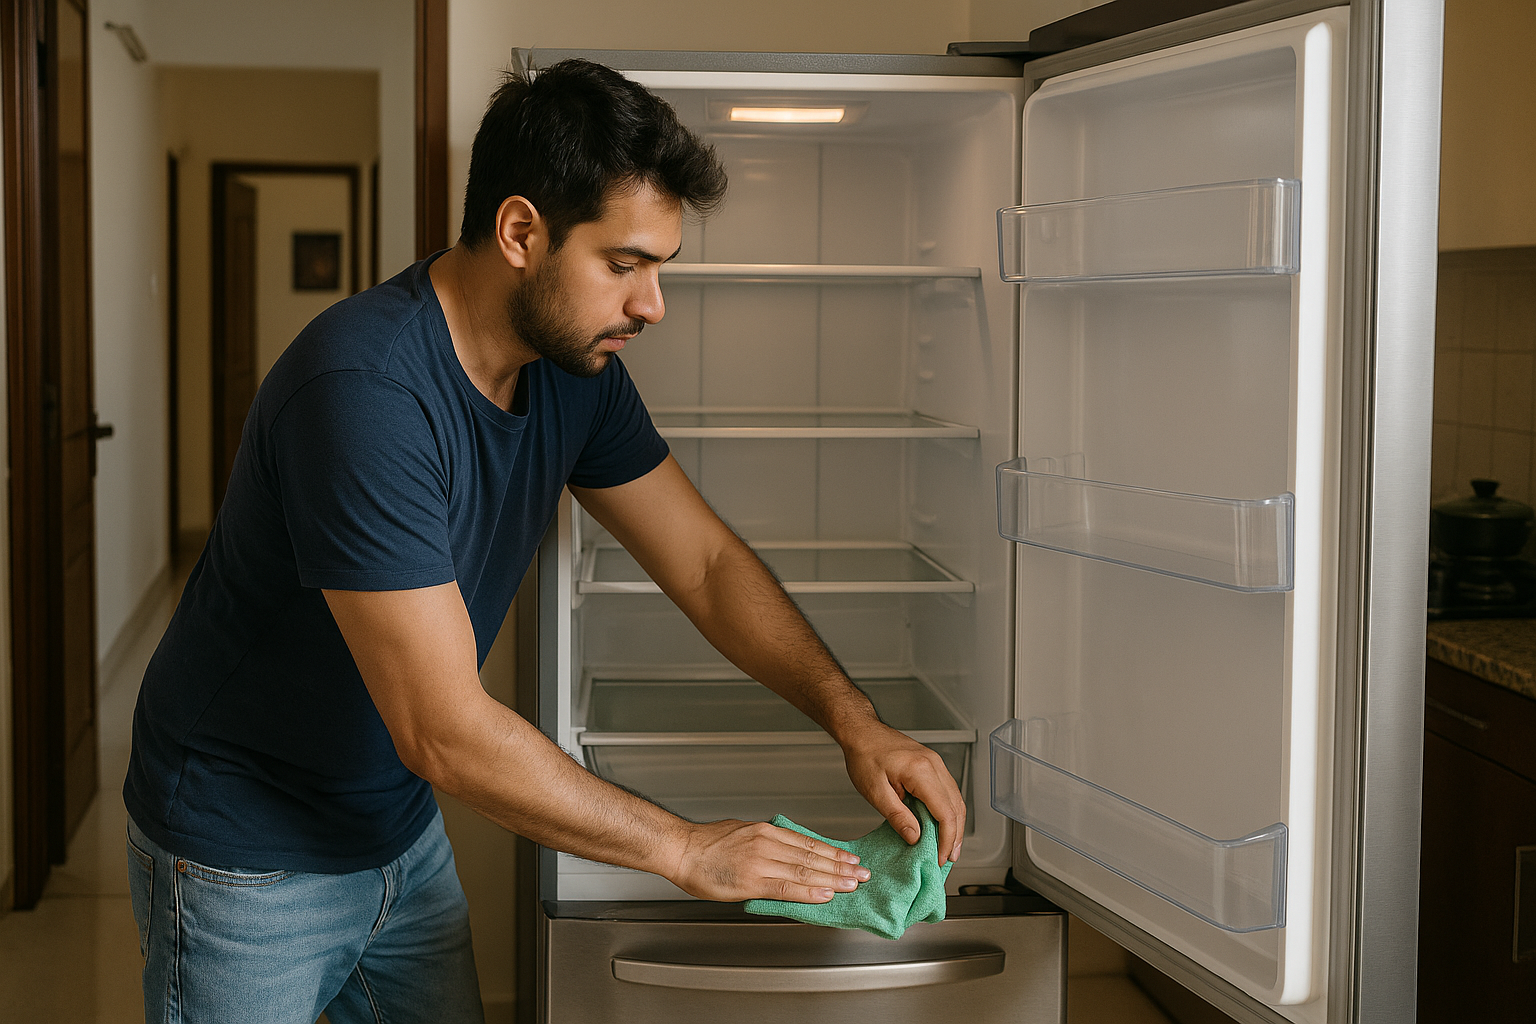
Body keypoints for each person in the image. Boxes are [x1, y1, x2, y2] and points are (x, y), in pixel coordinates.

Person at [123, 58, 966, 1024]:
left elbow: (705, 563)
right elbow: (442, 728)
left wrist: (853, 719)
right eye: (624, 264)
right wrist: (683, 849)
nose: (652, 305)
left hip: (394, 824)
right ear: (521, 231)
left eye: (660, 268)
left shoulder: (576, 372)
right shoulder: (363, 393)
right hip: (242, 848)